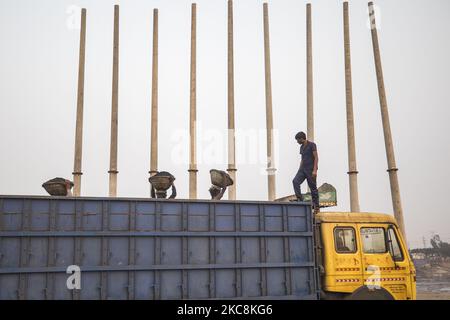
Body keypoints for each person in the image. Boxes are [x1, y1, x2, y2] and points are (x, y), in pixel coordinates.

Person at [292, 131, 320, 212]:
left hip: (310, 169)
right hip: (303, 169)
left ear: (302, 138)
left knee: (313, 188)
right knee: (295, 181)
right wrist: (299, 170)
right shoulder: (301, 147)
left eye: (297, 140)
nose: (297, 142)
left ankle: (316, 206)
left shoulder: (312, 145)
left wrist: (315, 170)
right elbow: (302, 159)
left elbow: (316, 157)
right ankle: (300, 200)